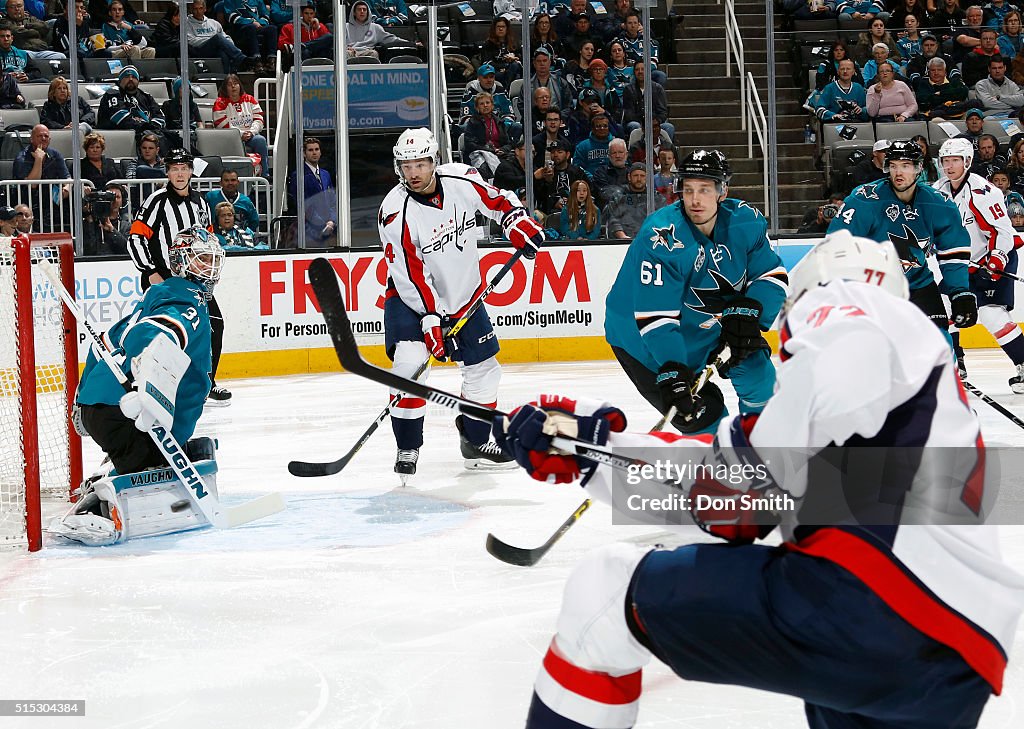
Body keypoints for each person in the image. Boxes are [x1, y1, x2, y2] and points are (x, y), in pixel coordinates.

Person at [494, 231, 1024, 729]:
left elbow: (752, 482)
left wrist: (603, 451)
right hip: (957, 658)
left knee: (605, 591)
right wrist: (596, 453)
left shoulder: (852, 304)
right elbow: (732, 489)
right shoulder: (912, 417)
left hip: (876, 605)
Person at [377, 127, 545, 480]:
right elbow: (411, 276)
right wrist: (430, 320)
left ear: (434, 161)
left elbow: (499, 201)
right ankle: (408, 445)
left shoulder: (462, 178)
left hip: (464, 294)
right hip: (411, 300)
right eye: (407, 166)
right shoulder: (394, 213)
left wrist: (518, 223)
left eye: (420, 164)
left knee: (484, 369)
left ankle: (476, 442)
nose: (414, 173)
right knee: (411, 365)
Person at [52, 227, 225, 547]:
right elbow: (157, 332)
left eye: (214, 260)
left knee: (184, 452)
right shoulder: (186, 302)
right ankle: (99, 504)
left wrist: (83, 398)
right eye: (202, 260)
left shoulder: (157, 299)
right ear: (182, 262)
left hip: (106, 407)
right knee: (152, 471)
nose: (210, 268)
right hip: (123, 411)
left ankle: (115, 470)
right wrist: (147, 374)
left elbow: (102, 344)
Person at [604, 149, 787, 434]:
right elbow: (656, 318)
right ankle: (728, 468)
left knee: (756, 372)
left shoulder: (745, 221)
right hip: (641, 340)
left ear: (722, 191)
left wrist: (752, 310)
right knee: (703, 416)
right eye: (688, 190)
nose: (695, 199)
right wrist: (673, 366)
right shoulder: (662, 236)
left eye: (704, 189)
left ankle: (766, 444)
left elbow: (772, 274)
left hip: (707, 327)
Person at [828, 139, 977, 335]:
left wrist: (959, 292)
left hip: (918, 284)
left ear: (918, 168)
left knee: (940, 344)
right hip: (873, 289)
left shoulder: (939, 204)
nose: (898, 173)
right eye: (893, 166)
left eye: (906, 166)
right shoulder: (864, 199)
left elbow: (953, 251)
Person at [128, 148, 231, 406]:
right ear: (168, 172)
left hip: (195, 281)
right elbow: (136, 238)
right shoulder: (156, 201)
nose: (180, 173)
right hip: (164, 280)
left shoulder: (200, 203)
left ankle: (207, 384)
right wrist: (150, 271)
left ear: (191, 171)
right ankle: (158, 385)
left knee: (213, 324)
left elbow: (207, 240)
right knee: (167, 333)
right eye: (175, 168)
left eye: (184, 168)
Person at [934, 136, 1024, 386]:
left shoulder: (984, 192)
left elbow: (1003, 232)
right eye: (945, 160)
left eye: (955, 160)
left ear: (968, 161)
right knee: (943, 309)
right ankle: (955, 364)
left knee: (991, 315)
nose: (949, 166)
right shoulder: (937, 190)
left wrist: (996, 260)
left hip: (994, 258)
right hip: (962, 264)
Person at [212, 74, 269, 178]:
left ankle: (264, 175)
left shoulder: (250, 99)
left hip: (250, 135)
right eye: (230, 85)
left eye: (236, 83)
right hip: (230, 138)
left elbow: (259, 119)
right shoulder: (220, 103)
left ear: (240, 85)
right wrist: (240, 134)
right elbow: (221, 125)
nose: (233, 86)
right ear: (225, 88)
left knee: (260, 140)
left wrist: (251, 132)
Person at [97, 65, 167, 144]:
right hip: (122, 136)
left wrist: (152, 127)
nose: (130, 79)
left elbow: (160, 116)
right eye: (126, 77)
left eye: (134, 77)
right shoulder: (113, 93)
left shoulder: (146, 96)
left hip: (148, 134)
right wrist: (146, 127)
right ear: (120, 80)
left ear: (138, 80)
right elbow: (120, 117)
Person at [286, 136, 337, 245]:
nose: (314, 153)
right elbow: (303, 205)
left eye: (316, 149)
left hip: (329, 229)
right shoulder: (298, 175)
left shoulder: (325, 174)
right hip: (309, 231)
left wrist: (332, 221)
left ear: (320, 152)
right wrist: (323, 225)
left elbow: (333, 201)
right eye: (310, 150)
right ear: (304, 154)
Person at [604, 162, 664, 240]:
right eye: (636, 175)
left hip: (650, 240)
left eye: (642, 176)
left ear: (647, 177)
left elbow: (663, 219)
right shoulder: (619, 197)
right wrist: (623, 237)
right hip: (624, 241)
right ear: (629, 177)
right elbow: (613, 219)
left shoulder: (656, 197)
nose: (639, 179)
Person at [185, 0, 246, 74]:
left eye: (200, 8)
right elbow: (191, 41)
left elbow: (226, 38)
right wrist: (212, 40)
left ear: (205, 9)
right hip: (199, 50)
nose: (198, 11)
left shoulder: (213, 23)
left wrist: (227, 44)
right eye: (195, 9)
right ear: (191, 9)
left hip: (215, 50)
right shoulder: (186, 23)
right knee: (217, 38)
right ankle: (241, 58)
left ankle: (226, 77)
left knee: (222, 53)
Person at [221, 0, 276, 72]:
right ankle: (256, 60)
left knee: (272, 29)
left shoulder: (258, 1)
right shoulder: (230, 1)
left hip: (258, 26)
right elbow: (231, 17)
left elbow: (265, 15)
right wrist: (251, 22)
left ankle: (271, 60)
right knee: (251, 28)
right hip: (239, 29)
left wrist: (261, 23)